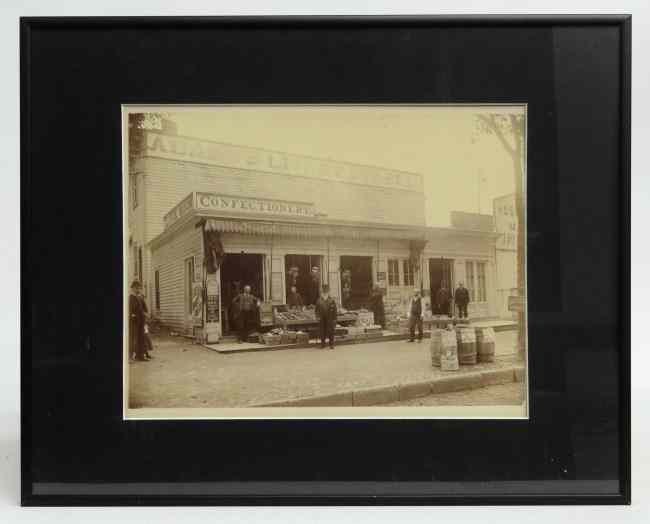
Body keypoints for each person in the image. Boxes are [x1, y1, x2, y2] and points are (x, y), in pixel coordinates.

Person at [129, 280, 149, 361]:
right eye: (137, 288)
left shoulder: (139, 297)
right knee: (133, 338)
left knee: (141, 338)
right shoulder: (130, 298)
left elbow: (143, 308)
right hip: (134, 321)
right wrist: (132, 315)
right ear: (133, 288)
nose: (138, 290)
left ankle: (140, 356)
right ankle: (130, 356)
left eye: (139, 288)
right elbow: (129, 310)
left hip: (141, 320)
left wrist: (144, 314)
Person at [315, 284, 338, 349]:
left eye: (326, 291)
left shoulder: (332, 300)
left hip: (330, 317)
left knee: (331, 331)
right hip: (322, 318)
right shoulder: (319, 300)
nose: (325, 292)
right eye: (324, 291)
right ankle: (323, 344)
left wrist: (335, 319)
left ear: (328, 292)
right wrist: (317, 317)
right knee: (322, 331)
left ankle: (331, 344)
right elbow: (316, 310)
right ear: (322, 292)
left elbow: (335, 311)